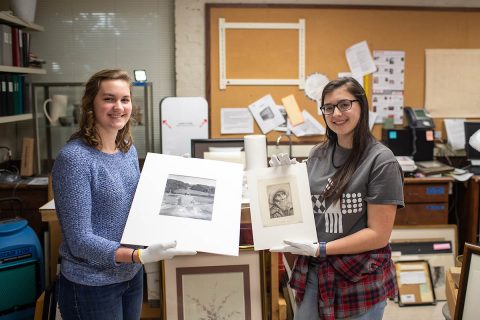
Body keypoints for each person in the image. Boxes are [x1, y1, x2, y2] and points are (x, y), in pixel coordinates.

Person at [52, 69, 196, 320]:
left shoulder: (127, 151)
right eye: (109, 99)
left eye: (125, 99)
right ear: (90, 105)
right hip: (92, 284)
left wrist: (176, 176)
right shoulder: (75, 159)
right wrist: (137, 255)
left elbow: (138, 204)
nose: (118, 107)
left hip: (130, 275)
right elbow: (79, 240)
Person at [270, 77, 404, 320]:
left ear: (361, 106)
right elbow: (303, 207)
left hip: (358, 277)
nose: (336, 114)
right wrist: (285, 177)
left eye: (344, 105)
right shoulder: (318, 154)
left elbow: (379, 234)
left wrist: (322, 248)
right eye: (328, 107)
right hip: (316, 272)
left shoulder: (381, 161)